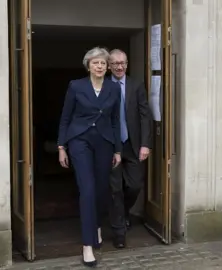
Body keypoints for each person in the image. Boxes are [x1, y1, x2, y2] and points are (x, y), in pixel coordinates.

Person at [57, 47, 122, 267]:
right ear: (88, 65)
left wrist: (117, 150)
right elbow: (65, 118)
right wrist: (61, 147)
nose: (100, 66)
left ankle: (96, 227)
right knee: (87, 190)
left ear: (107, 66)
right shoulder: (76, 86)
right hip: (79, 140)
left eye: (103, 63)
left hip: (104, 142)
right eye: (96, 63)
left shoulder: (114, 88)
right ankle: (87, 245)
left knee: (102, 190)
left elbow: (115, 120)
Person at [108, 49, 152, 248]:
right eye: (115, 63)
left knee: (134, 185)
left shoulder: (136, 85)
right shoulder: (103, 85)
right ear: (109, 65)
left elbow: (145, 115)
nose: (119, 66)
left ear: (127, 64)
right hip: (111, 146)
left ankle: (124, 212)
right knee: (114, 189)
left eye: (122, 63)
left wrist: (145, 144)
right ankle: (119, 229)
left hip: (133, 144)